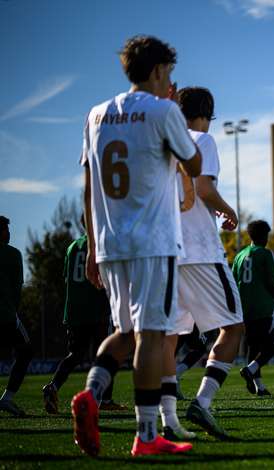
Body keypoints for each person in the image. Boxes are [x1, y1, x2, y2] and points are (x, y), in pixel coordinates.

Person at [72, 35, 202, 457]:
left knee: (123, 333)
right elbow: (194, 163)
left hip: (110, 242)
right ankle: (147, 436)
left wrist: (92, 246)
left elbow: (89, 186)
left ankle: (92, 393)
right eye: (169, 72)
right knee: (150, 335)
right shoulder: (164, 110)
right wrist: (174, 111)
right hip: (152, 239)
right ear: (159, 70)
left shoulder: (95, 115)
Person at [157, 85, 242, 442]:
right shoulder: (202, 140)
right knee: (234, 326)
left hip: (166, 252)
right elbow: (204, 188)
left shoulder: (162, 143)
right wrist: (229, 209)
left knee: (168, 338)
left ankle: (167, 419)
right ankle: (203, 402)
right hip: (201, 253)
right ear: (208, 113)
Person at [43, 215, 125, 415]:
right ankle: (105, 399)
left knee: (75, 354)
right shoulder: (102, 244)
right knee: (107, 353)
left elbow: (67, 278)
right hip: (96, 308)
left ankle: (53, 386)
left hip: (74, 310)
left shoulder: (72, 247)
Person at [233, 220, 274, 397]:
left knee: (253, 346)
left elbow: (233, 282)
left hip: (245, 309)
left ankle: (259, 386)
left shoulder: (239, 256)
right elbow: (271, 282)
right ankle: (250, 369)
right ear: (263, 235)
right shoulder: (265, 254)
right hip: (263, 306)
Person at [0, 216, 33, 417]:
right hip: (5, 315)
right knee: (26, 351)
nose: (9, 233)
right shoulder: (12, 254)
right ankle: (7, 398)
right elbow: (17, 290)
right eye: (5, 229)